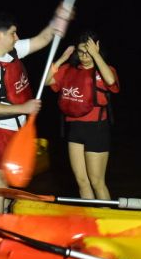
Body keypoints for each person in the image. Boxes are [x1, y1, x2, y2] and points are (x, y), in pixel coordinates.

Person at [0, 7, 71, 213]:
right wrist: (24, 107)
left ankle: (7, 215)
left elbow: (41, 39)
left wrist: (58, 20)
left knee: (11, 180)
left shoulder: (12, 51)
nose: (16, 37)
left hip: (17, 129)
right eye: (12, 33)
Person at [47, 31, 119, 199]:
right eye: (81, 52)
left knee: (97, 182)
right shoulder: (68, 70)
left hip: (97, 130)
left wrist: (96, 54)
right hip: (75, 130)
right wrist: (62, 59)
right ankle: (91, 220)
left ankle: (106, 220)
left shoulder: (104, 70)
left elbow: (110, 81)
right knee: (82, 181)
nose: (85, 56)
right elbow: (46, 81)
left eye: (89, 52)